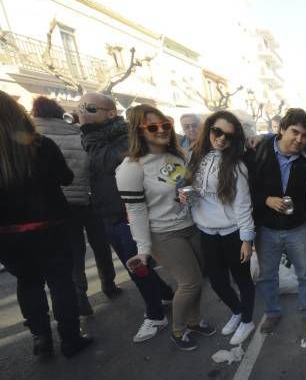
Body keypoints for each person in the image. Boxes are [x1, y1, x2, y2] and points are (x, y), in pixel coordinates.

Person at [0, 90, 92, 358]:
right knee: (60, 282)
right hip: (50, 228)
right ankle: (70, 339)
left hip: (8, 236)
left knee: (28, 284)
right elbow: (65, 178)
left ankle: (41, 338)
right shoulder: (42, 145)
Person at [116, 104, 215, 351]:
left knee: (198, 280)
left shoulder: (176, 155)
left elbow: (184, 192)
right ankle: (178, 331)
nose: (160, 130)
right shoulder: (131, 168)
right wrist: (143, 249)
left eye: (165, 125)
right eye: (152, 127)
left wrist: (189, 197)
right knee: (189, 282)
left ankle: (193, 321)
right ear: (139, 131)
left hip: (190, 226)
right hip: (163, 233)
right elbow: (135, 212)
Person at [78, 92, 175, 343]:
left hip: (128, 215)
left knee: (138, 268)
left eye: (89, 108)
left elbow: (106, 163)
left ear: (111, 113)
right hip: (108, 214)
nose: (81, 112)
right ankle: (165, 293)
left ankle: (156, 315)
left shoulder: (123, 140)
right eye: (80, 107)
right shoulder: (93, 139)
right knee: (134, 267)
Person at [30, 96, 119, 317]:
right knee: (100, 244)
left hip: (61, 204)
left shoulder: (35, 139)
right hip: (90, 198)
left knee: (74, 251)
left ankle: (81, 298)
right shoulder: (78, 131)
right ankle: (109, 284)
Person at [249, 108, 306, 334]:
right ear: (282, 129)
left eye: (304, 136)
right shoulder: (259, 152)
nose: (299, 139)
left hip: (296, 228)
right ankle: (272, 313)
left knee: (304, 273)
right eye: (294, 132)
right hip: (267, 228)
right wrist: (266, 200)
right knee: (268, 274)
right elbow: (243, 190)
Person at [185, 112, 256, 346]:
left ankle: (247, 320)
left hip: (232, 233)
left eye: (228, 135)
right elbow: (191, 191)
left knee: (242, 280)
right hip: (206, 232)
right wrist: (183, 197)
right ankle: (237, 311)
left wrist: (247, 240)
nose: (222, 138)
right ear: (209, 129)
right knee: (217, 282)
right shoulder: (196, 157)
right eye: (217, 132)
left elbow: (244, 205)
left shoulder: (237, 167)